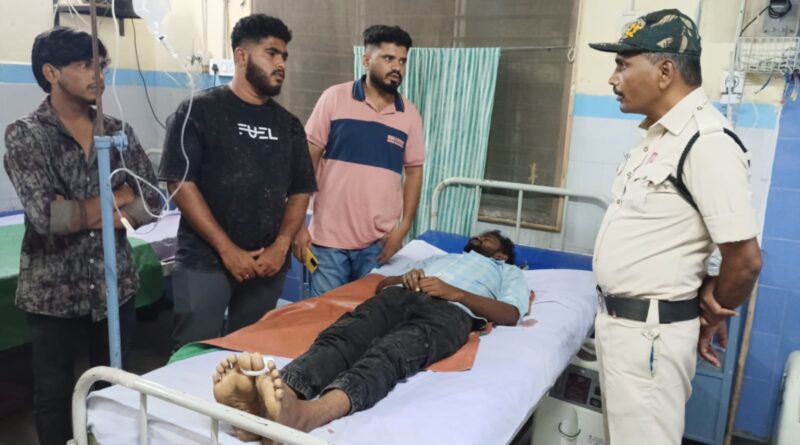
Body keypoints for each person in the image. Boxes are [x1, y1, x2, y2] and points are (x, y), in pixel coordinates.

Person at [588, 9, 762, 445]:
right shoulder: (660, 138)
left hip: (649, 336)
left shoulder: (707, 143)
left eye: (623, 65)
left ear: (665, 71)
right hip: (624, 328)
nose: (613, 78)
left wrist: (714, 310)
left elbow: (745, 261)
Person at [212, 231, 529, 441]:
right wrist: (404, 278)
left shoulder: (508, 272)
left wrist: (456, 293)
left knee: (391, 352)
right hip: (399, 296)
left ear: (501, 256)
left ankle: (308, 415)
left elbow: (511, 313)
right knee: (344, 336)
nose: (478, 237)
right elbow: (381, 285)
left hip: (450, 312)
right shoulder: (441, 258)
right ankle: (280, 395)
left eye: (487, 238)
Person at [3, 27, 160, 445]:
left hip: (115, 285)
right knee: (54, 394)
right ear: (51, 72)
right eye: (85, 65)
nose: (99, 75)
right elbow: (47, 217)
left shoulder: (117, 131)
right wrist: (118, 199)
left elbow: (152, 201)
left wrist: (84, 209)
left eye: (101, 65)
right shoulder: (25, 135)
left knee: (115, 386)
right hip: (53, 292)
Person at [159, 14, 317, 351]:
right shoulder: (199, 111)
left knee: (251, 356)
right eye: (271, 53)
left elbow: (300, 189)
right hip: (206, 261)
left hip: (267, 265)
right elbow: (180, 182)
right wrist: (227, 249)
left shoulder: (288, 125)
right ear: (241, 56)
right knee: (194, 353)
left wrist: (281, 245)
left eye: (284, 56)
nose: (281, 64)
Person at [292, 25, 425, 296]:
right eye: (388, 58)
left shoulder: (409, 114)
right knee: (322, 316)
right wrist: (298, 226)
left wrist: (403, 229)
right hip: (327, 242)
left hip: (378, 245)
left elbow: (414, 172)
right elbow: (307, 161)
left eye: (402, 61)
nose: (396, 67)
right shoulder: (334, 98)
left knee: (366, 316)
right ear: (366, 60)